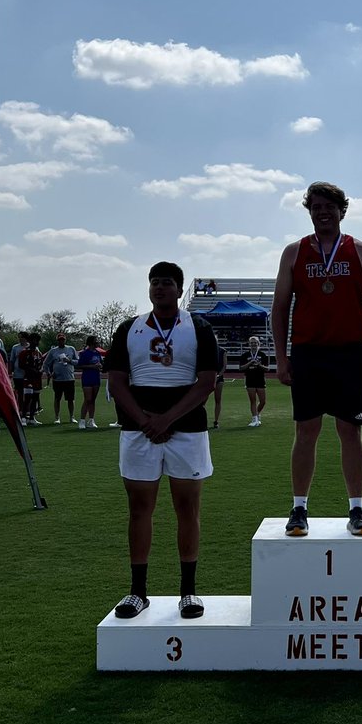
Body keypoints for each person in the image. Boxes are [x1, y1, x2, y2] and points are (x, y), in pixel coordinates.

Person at [272, 181, 362, 537]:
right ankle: (298, 508)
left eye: (329, 206)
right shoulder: (293, 252)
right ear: (309, 210)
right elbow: (280, 308)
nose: (322, 212)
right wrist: (281, 357)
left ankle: (356, 508)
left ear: (342, 210)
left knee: (349, 430)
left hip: (349, 351)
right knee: (306, 430)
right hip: (308, 352)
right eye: (315, 206)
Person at [106, 260, 219, 620]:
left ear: (179, 289)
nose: (159, 288)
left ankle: (188, 592)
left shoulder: (198, 327)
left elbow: (205, 382)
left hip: (186, 430)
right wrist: (145, 421)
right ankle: (138, 592)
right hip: (139, 430)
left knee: (187, 509)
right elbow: (117, 382)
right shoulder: (129, 328)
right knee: (139, 510)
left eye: (166, 282)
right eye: (154, 282)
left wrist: (167, 419)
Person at [42, 333, 79, 424]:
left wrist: (69, 360)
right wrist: (49, 373)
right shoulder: (53, 351)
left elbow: (77, 361)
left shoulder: (71, 349)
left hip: (69, 378)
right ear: (57, 341)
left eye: (62, 339)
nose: (61, 341)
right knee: (57, 398)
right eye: (59, 340)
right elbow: (46, 363)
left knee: (70, 399)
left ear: (65, 340)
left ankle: (72, 417)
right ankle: (57, 417)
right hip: (58, 379)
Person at [238, 335, 267, 427]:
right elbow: (241, 368)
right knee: (253, 400)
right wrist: (250, 363)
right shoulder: (245, 355)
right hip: (249, 379)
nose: (253, 344)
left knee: (263, 401)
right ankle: (254, 419)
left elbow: (267, 369)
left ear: (258, 344)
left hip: (260, 379)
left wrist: (259, 365)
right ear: (249, 344)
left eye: (255, 343)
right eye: (252, 343)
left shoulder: (262, 355)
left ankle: (257, 414)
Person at [76, 336, 104, 429]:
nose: (98, 342)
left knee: (93, 400)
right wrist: (92, 366)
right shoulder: (85, 353)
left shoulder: (97, 353)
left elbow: (101, 363)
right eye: (96, 341)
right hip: (87, 378)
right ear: (92, 342)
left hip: (96, 378)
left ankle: (91, 420)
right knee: (87, 399)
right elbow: (80, 365)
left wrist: (100, 366)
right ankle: (82, 420)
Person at [18, 334, 44, 426]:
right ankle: (24, 417)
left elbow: (40, 364)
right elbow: (21, 365)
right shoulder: (24, 352)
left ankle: (32, 418)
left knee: (35, 398)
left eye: (37, 340)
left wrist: (40, 371)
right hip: (28, 378)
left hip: (37, 379)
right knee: (28, 398)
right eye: (34, 340)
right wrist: (31, 369)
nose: (36, 342)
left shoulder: (38, 353)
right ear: (30, 341)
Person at [9, 332, 30, 420]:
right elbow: (12, 360)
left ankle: (28, 410)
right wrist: (10, 372)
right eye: (19, 337)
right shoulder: (15, 347)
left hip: (28, 375)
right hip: (18, 374)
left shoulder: (31, 347)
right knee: (19, 393)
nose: (20, 339)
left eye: (22, 337)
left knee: (28, 393)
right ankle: (20, 409)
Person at [212, 341, 228, 429]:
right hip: (209, 378)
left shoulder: (222, 351)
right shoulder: (207, 350)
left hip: (219, 378)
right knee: (202, 400)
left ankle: (216, 421)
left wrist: (218, 375)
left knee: (218, 399)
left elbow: (224, 366)